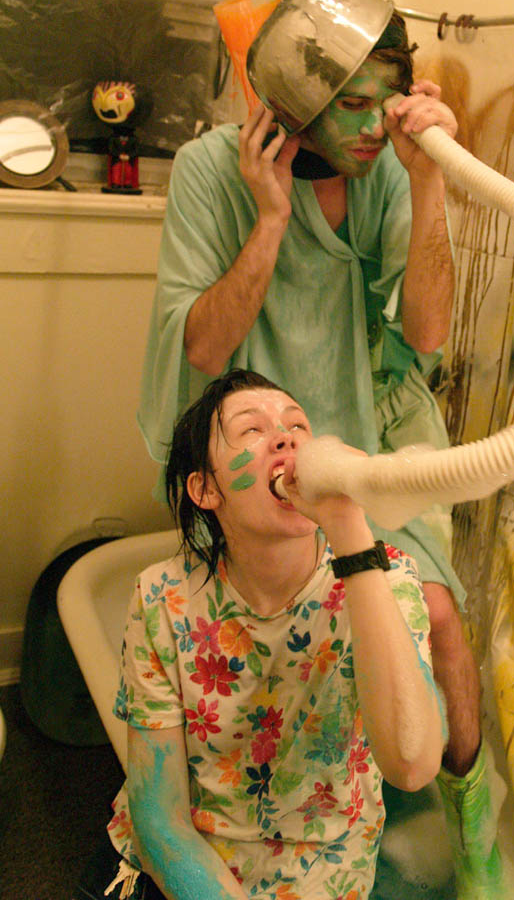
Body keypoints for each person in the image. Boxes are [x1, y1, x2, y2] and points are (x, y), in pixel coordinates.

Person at [138, 0, 502, 897]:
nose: (377, 126)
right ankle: (276, 808)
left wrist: (428, 183)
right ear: (294, 109)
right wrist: (269, 218)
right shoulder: (208, 171)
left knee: (443, 620)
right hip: (257, 441)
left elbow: (427, 334)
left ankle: (475, 838)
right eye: (353, 107)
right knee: (273, 637)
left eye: (386, 102)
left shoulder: (386, 170)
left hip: (366, 434)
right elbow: (203, 350)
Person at [77, 369, 445, 900]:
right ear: (205, 489)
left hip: (320, 872)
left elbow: (412, 766)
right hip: (184, 863)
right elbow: (159, 818)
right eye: (252, 430)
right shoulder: (162, 598)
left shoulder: (386, 578)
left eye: (297, 426)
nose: (285, 438)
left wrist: (348, 527)